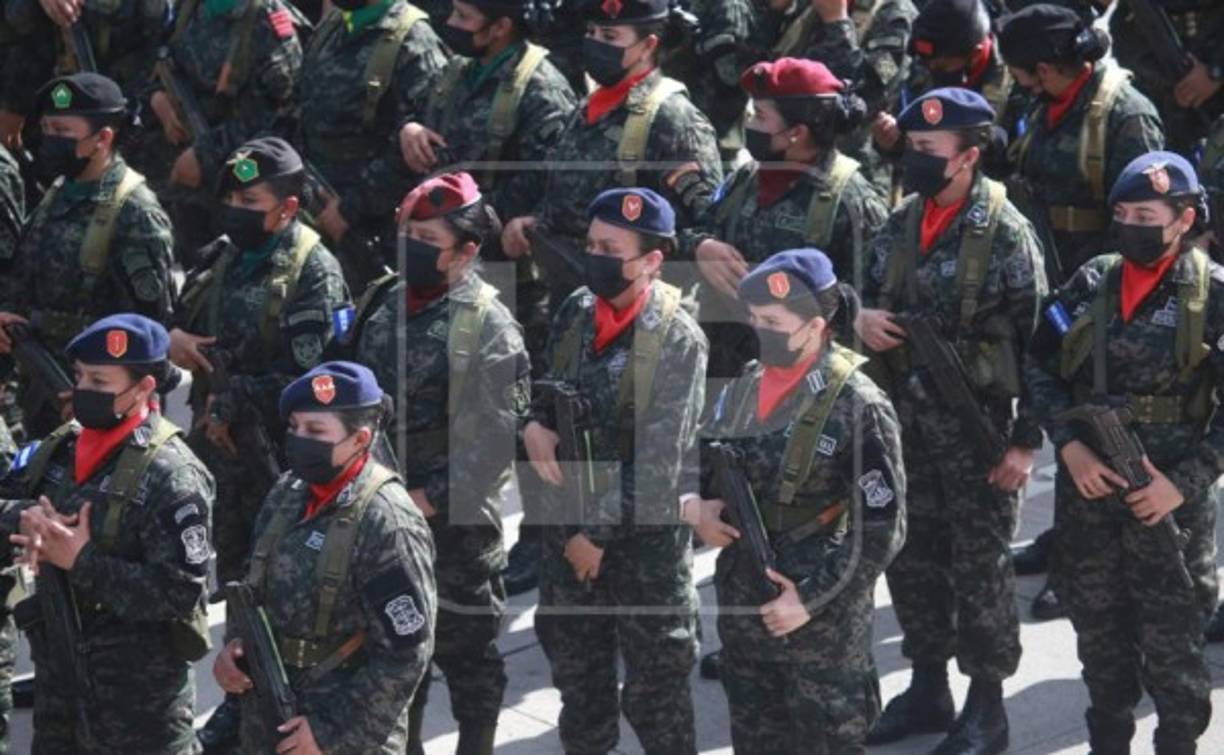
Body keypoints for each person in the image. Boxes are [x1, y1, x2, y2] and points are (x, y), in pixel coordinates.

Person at [857, 87, 1047, 753]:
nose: (915, 161)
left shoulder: (1005, 233)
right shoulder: (900, 222)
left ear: (967, 157)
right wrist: (861, 319)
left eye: (929, 151)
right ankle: (929, 685)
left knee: (980, 570)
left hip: (978, 437)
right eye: (911, 148)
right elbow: (869, 291)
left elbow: (1041, 347)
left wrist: (1025, 443)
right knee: (912, 560)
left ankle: (987, 707)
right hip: (905, 429)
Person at [1025, 151, 1222, 754]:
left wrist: (1183, 483)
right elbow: (1039, 364)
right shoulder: (1092, 280)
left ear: (1184, 219)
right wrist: (1070, 447)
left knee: (1174, 651)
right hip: (1091, 499)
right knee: (1100, 639)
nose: (1133, 224)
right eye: (1124, 212)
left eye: (1148, 213)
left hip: (1168, 507)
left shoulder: (1211, 297)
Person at [169, 136, 350, 751]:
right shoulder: (225, 255)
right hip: (222, 450)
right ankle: (240, 693)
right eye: (234, 197)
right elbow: (189, 321)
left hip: (280, 456)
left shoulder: (312, 270)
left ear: (288, 208)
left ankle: (283, 701)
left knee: (280, 588)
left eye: (253, 199)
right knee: (238, 581)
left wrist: (240, 395)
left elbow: (319, 381)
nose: (238, 209)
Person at [690, 247, 906, 752]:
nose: (760, 330)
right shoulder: (746, 383)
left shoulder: (858, 405)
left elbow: (883, 528)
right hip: (746, 613)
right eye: (756, 318)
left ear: (815, 325)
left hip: (821, 634)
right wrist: (695, 506)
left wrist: (808, 599)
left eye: (774, 321)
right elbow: (703, 459)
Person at [345, 172, 530, 754]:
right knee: (397, 656)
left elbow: (495, 445)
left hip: (451, 528)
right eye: (408, 231)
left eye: (427, 237)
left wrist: (424, 502)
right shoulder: (383, 297)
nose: (411, 245)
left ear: (467, 252)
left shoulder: (489, 327)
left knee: (467, 658)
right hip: (380, 515)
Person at [522, 187, 707, 755]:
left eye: (611, 248)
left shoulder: (677, 339)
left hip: (641, 551)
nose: (595, 256)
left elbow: (660, 464)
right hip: (567, 533)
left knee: (657, 699)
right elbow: (541, 389)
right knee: (580, 691)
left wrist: (594, 537)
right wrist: (530, 425)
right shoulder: (578, 310)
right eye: (591, 244)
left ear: (652, 260)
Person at [2, 313, 214, 753]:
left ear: (143, 389)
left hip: (138, 712)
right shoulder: (57, 451)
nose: (84, 391)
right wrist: (26, 520)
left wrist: (82, 560)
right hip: (60, 696)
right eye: (81, 377)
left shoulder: (172, 476)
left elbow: (179, 595)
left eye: (100, 381)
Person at [213, 361, 437, 754]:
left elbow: (406, 654)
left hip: (343, 733)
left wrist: (330, 733)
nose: (299, 440)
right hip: (269, 714)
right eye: (295, 428)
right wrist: (234, 648)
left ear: (360, 440)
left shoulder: (387, 522)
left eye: (316, 431)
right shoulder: (289, 492)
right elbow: (254, 588)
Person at [499, 0, 722, 307]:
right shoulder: (589, 108)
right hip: (567, 298)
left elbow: (703, 226)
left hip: (629, 307)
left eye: (610, 36)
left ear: (647, 45)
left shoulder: (673, 119)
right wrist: (535, 221)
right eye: (591, 32)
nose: (595, 43)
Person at [682, 56, 889, 381]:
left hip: (798, 385)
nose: (749, 123)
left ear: (796, 133)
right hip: (724, 371)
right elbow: (698, 229)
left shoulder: (852, 200)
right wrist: (702, 246)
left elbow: (875, 298)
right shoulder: (746, 179)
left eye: (761, 116)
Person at [0, 73, 175, 439]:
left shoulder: (135, 213)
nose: (50, 140)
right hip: (35, 385)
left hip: (94, 403)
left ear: (103, 138)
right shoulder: (59, 192)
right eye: (47, 128)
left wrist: (101, 397)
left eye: (63, 130)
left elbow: (147, 331)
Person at [999, 3, 1165, 283]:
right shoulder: (1038, 104)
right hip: (1034, 269)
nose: (1019, 85)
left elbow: (1143, 220)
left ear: (1044, 70)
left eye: (1018, 76)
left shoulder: (1126, 117)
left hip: (1096, 282)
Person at [294, 0, 448, 288]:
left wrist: (349, 209)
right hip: (315, 202)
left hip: (368, 228)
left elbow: (424, 152)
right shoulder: (336, 23)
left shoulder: (414, 41)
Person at [143, 0, 305, 263]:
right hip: (180, 180)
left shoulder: (265, 19)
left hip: (238, 192)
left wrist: (205, 155)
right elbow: (159, 63)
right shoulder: (191, 7)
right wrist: (158, 100)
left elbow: (281, 117)